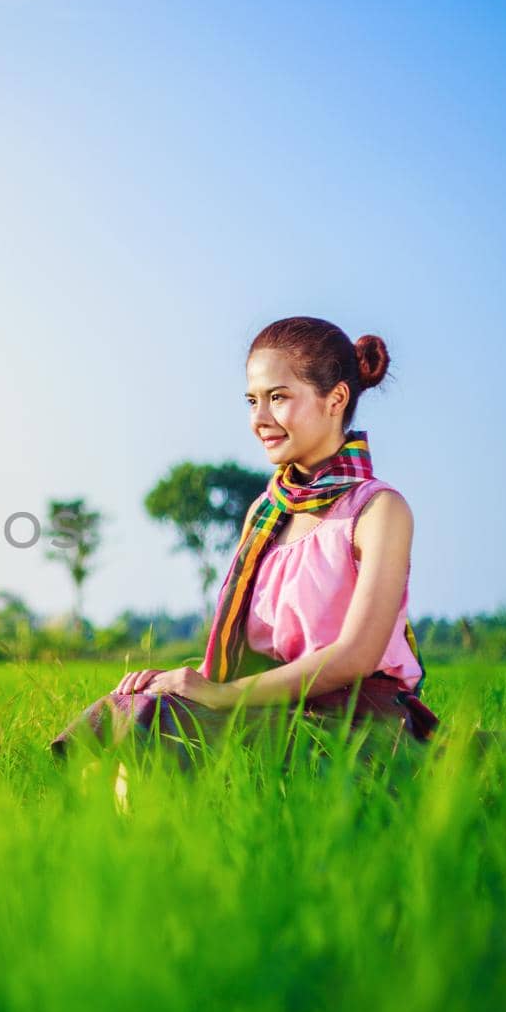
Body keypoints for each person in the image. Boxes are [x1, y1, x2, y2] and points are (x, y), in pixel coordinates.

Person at [50, 316, 444, 765]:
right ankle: (117, 832)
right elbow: (251, 654)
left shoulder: (377, 511)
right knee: (137, 710)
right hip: (271, 704)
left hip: (351, 718)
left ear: (336, 398)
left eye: (278, 398)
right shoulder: (266, 511)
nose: (260, 419)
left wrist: (221, 695)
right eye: (252, 400)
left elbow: (356, 656)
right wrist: (189, 682)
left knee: (172, 730)